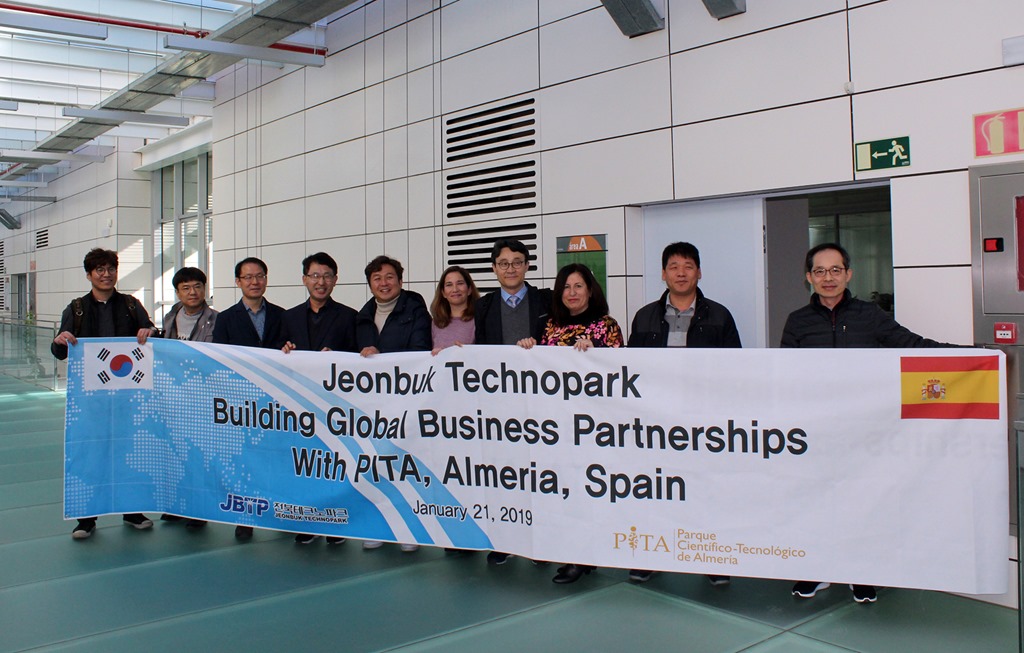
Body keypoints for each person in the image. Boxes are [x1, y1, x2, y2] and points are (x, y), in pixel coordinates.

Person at [781, 242, 947, 605]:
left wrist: (970, 355)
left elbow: (912, 345)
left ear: (848, 274)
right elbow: (785, 377)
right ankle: (817, 570)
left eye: (835, 270)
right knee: (818, 501)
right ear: (808, 277)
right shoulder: (797, 322)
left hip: (865, 430)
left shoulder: (869, 316)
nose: (828, 278)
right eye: (820, 271)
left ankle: (862, 571)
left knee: (864, 500)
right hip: (815, 432)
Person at [627, 241, 741, 585]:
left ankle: (710, 557)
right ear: (663, 274)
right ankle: (652, 554)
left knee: (705, 488)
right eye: (674, 266)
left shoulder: (719, 315)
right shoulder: (645, 315)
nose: (681, 272)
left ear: (699, 272)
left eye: (688, 266)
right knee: (657, 487)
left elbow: (735, 369)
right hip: (656, 420)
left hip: (702, 419)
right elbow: (631, 368)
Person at [517, 263, 623, 583]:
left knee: (588, 491)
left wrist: (598, 351)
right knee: (562, 490)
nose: (572, 293)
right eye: (566, 287)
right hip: (556, 426)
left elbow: (623, 370)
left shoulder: (607, 325)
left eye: (578, 286)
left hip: (594, 427)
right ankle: (570, 550)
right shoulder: (548, 327)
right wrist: (528, 349)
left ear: (590, 290)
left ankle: (583, 555)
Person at [51, 248, 157, 540]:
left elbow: (152, 338)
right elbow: (59, 350)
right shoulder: (76, 309)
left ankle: (132, 511)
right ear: (89, 275)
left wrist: (150, 332)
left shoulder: (132, 306)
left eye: (111, 268)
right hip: (90, 401)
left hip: (129, 399)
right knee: (90, 453)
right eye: (99, 269)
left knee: (130, 453)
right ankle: (86, 518)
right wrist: (60, 340)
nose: (106, 274)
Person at [473, 238, 553, 566]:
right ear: (494, 268)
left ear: (528, 266)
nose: (510, 268)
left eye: (517, 262)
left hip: (540, 403)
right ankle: (504, 539)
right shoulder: (484, 305)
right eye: (503, 263)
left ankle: (543, 541)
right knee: (504, 473)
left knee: (541, 473)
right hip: (499, 405)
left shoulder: (547, 299)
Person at [281, 252, 358, 545]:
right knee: (304, 464)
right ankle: (307, 521)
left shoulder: (349, 316)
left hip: (335, 405)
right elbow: (276, 354)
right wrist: (284, 348)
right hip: (299, 406)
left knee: (333, 463)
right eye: (314, 276)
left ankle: (335, 522)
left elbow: (357, 356)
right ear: (304, 280)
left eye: (327, 276)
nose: (320, 282)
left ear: (335, 280)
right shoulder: (287, 317)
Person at [355, 255, 431, 551]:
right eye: (377, 278)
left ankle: (409, 530)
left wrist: (382, 355)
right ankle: (378, 525)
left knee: (405, 464)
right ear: (370, 283)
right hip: (372, 403)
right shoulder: (361, 315)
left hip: (406, 400)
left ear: (400, 280)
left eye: (389, 277)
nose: (383, 283)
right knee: (375, 462)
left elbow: (419, 350)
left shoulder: (415, 311)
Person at [211, 256, 285, 540]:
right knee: (244, 460)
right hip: (241, 404)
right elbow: (219, 359)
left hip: (277, 402)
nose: (255, 282)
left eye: (260, 276)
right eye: (248, 277)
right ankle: (246, 516)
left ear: (266, 278)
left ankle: (282, 512)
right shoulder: (226, 319)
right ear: (238, 282)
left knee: (277, 458)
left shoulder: (282, 315)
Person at [158, 266, 218, 530]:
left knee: (200, 455)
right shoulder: (170, 317)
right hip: (173, 397)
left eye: (197, 286)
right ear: (178, 292)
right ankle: (178, 504)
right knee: (175, 453)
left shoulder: (217, 319)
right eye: (186, 288)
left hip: (203, 399)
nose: (192, 292)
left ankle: (199, 509)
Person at [430, 265, 479, 355]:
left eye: (460, 283)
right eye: (449, 285)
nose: (455, 289)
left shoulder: (480, 320)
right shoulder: (435, 323)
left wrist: (466, 352)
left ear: (469, 289)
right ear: (443, 293)